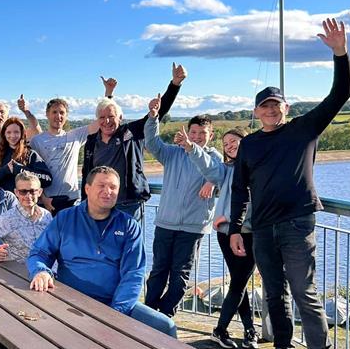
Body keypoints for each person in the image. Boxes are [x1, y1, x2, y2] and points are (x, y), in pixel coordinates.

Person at [229, 18, 350, 349]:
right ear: (256, 111)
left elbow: (340, 95)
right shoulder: (248, 145)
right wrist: (236, 227)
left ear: (284, 106)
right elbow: (240, 189)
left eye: (275, 104)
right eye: (263, 106)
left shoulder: (303, 128)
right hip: (262, 228)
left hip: (297, 224)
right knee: (273, 292)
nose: (270, 110)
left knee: (304, 292)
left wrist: (340, 54)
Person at [28, 166, 176, 349]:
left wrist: (114, 314)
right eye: (101, 185)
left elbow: (134, 274)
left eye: (113, 187)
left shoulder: (128, 225)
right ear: (87, 189)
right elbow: (39, 253)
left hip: (116, 305)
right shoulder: (65, 219)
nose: (107, 192)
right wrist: (41, 271)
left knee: (166, 328)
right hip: (71, 308)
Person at [178, 126, 258, 349]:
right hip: (228, 234)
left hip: (250, 233)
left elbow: (255, 201)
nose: (230, 146)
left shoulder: (258, 167)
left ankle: (246, 329)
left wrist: (228, 217)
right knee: (239, 283)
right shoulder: (226, 170)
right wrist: (192, 147)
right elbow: (208, 166)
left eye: (234, 141)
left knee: (238, 283)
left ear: (247, 142)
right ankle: (223, 330)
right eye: (226, 143)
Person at [81, 67, 186, 220]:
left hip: (128, 205)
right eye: (102, 118)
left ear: (120, 118)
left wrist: (175, 84)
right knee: (99, 244)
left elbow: (157, 113)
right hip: (98, 204)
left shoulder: (130, 133)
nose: (107, 121)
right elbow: (87, 174)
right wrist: (85, 201)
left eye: (111, 116)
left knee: (128, 244)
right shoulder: (91, 142)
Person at [144, 107, 219, 318]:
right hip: (166, 222)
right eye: (193, 133)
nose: (196, 137)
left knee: (180, 274)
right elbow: (152, 143)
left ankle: (166, 312)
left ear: (210, 135)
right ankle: (150, 311)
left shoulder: (214, 157)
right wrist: (153, 117)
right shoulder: (173, 153)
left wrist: (212, 181)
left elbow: (218, 173)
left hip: (193, 226)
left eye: (202, 133)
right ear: (187, 132)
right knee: (158, 270)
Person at [28, 98, 99, 215]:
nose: (58, 116)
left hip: (71, 199)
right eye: (54, 112)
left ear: (66, 115)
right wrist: (43, 198)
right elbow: (32, 172)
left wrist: (109, 94)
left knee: (71, 233)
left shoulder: (75, 136)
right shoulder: (37, 141)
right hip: (46, 202)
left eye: (62, 113)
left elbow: (99, 124)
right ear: (47, 114)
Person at [0, 171, 52, 263]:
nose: (28, 196)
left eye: (32, 191)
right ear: (16, 192)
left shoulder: (46, 215)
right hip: (20, 271)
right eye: (23, 192)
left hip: (50, 268)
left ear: (40, 192)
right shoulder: (8, 219)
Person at [0, 117, 53, 192]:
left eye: (16, 132)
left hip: (24, 201)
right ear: (4, 134)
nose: (13, 136)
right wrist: (5, 170)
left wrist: (21, 170)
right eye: (9, 132)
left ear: (22, 133)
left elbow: (47, 179)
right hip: (3, 202)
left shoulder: (30, 154)